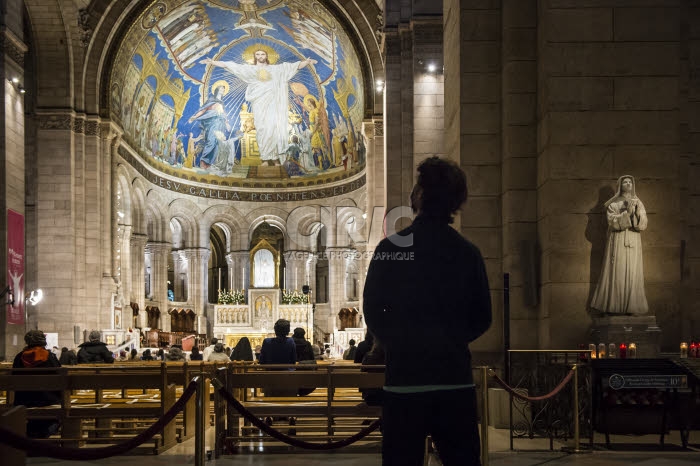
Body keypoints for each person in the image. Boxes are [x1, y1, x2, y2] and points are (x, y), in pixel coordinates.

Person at [364, 156, 492, 466]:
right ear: (455, 200)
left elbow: (372, 310)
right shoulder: (467, 252)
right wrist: (450, 339)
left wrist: (397, 342)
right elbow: (482, 316)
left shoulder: (391, 249)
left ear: (420, 194)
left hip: (405, 381)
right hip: (454, 381)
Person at [202, 49, 317, 166]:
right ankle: (266, 158)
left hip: (272, 103)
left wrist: (306, 62)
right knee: (262, 128)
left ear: (267, 56)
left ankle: (275, 158)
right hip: (258, 103)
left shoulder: (276, 69)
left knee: (273, 128)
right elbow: (232, 66)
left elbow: (294, 66)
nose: (260, 56)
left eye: (263, 54)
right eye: (257, 54)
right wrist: (213, 62)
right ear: (254, 56)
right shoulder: (250, 70)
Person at [590, 175, 649, 315]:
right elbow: (612, 222)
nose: (628, 184)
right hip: (618, 241)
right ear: (620, 186)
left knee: (633, 272)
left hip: (633, 240)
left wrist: (635, 214)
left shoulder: (638, 202)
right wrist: (626, 214)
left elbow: (644, 222)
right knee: (618, 271)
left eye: (630, 182)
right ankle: (615, 306)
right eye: (625, 182)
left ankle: (633, 306)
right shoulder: (613, 204)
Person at [12, 330, 62, 438]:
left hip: (24, 401)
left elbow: (14, 380)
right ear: (43, 341)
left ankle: (32, 432)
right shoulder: (50, 357)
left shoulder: (19, 358)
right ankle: (47, 430)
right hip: (48, 400)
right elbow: (60, 379)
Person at [259, 319, 298, 397]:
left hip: (270, 379)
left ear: (275, 330)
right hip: (287, 378)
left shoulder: (267, 341)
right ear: (288, 330)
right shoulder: (290, 341)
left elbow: (262, 361)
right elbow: (293, 360)